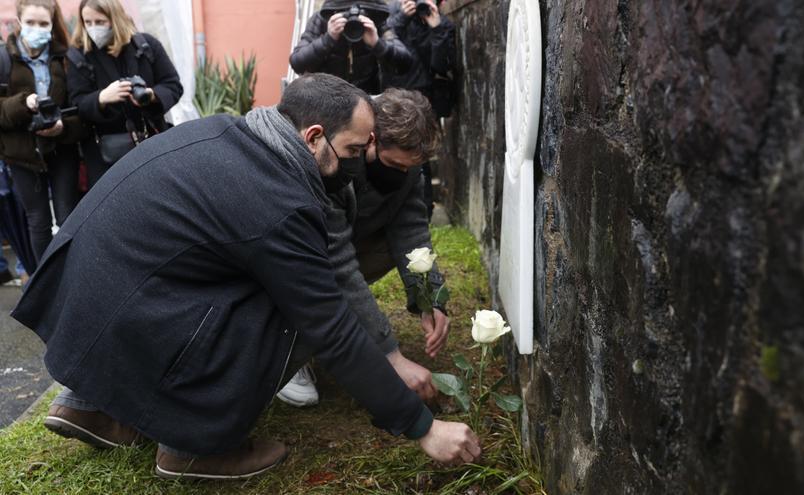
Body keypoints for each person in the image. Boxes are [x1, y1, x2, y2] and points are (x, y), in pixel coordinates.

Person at [12, 73, 480, 481]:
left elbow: (411, 231)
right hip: (129, 308)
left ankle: (93, 407)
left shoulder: (228, 135)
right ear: (314, 135)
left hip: (83, 306)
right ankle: (197, 446)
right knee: (287, 306)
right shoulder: (278, 200)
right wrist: (421, 425)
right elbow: (330, 322)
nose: (358, 160)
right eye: (355, 149)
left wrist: (426, 294)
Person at [278, 88, 449, 407]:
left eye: (409, 169)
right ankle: (289, 347)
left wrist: (430, 297)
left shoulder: (407, 167)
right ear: (370, 140)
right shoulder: (332, 160)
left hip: (346, 239)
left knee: (388, 246)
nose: (402, 176)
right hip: (300, 247)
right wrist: (390, 354)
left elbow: (411, 230)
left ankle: (333, 322)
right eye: (395, 165)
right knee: (323, 274)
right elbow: (338, 265)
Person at [0, 0, 87, 261]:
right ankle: (45, 285)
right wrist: (23, 103)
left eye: (43, 23)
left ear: (52, 24)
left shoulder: (67, 59)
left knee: (68, 216)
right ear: (18, 22)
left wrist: (63, 128)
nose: (36, 29)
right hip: (22, 153)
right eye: (30, 23)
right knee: (37, 221)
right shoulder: (4, 59)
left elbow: (81, 107)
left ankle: (73, 277)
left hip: (61, 148)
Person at [66, 0, 182, 187]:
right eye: (88, 22)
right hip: (105, 154)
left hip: (152, 141)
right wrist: (101, 98)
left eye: (100, 22)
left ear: (115, 19)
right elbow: (77, 104)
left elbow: (173, 85)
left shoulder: (146, 45)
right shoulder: (79, 56)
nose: (93, 28)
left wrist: (152, 95)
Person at [386, 0, 456, 219]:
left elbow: (440, 65)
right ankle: (393, 208)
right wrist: (402, 18)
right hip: (395, 97)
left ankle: (423, 210)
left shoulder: (441, 25)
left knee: (420, 157)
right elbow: (383, 47)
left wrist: (437, 29)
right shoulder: (393, 16)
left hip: (425, 100)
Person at [290, 0, 413, 94]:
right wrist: (328, 39)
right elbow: (297, 63)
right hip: (325, 97)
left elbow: (404, 63)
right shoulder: (322, 19)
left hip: (365, 98)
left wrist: (377, 44)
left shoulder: (376, 20)